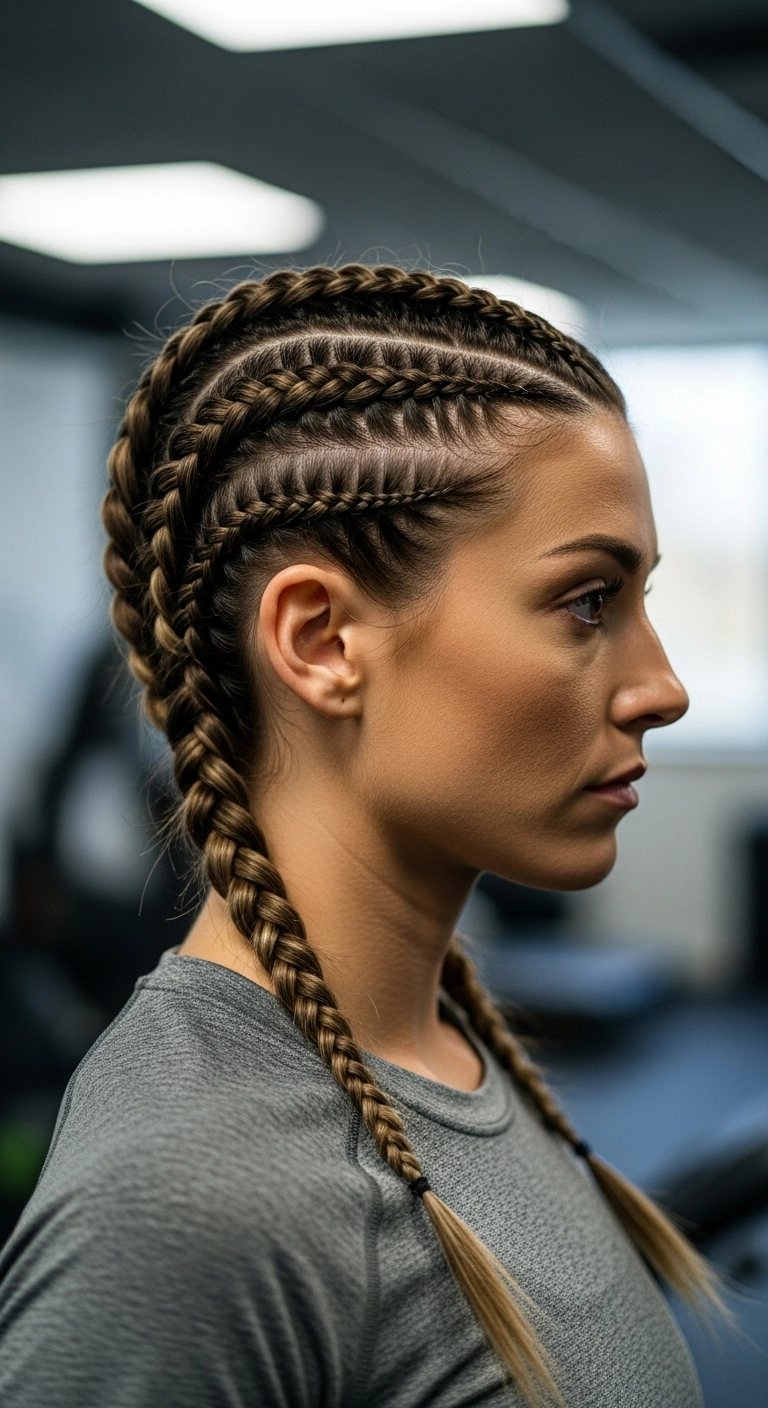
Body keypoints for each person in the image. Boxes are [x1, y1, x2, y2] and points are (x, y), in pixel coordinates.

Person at [0, 266, 719, 1406]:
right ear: (324, 640)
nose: (663, 687)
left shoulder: (443, 1056)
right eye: (589, 602)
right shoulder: (183, 1203)